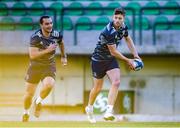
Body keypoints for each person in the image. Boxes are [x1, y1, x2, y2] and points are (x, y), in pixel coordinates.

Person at [85, 8, 141, 123]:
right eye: (115, 18)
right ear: (112, 17)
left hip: (110, 60)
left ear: (123, 19)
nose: (117, 20)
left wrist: (136, 55)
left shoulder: (123, 27)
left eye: (120, 18)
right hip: (98, 60)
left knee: (116, 82)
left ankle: (108, 112)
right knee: (97, 88)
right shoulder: (108, 31)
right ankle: (89, 108)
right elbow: (114, 51)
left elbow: (128, 39)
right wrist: (128, 60)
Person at [22, 15, 67, 122]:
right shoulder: (35, 37)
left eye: (51, 23)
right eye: (47, 24)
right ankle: (26, 112)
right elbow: (32, 55)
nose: (50, 25)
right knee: (29, 95)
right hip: (35, 67)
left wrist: (63, 56)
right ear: (41, 25)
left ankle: (38, 101)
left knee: (49, 84)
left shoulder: (56, 34)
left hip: (49, 65)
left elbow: (61, 43)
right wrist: (48, 50)